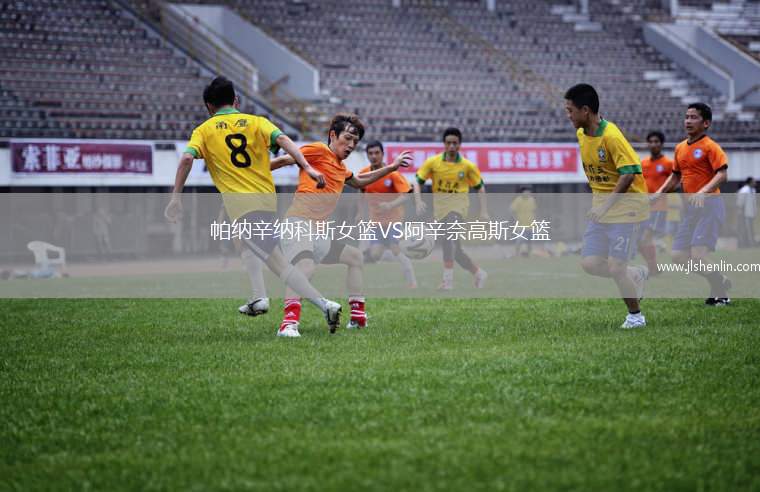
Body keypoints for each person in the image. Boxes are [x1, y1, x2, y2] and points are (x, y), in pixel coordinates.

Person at [164, 76, 342, 337]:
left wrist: (175, 198)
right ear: (236, 100)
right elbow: (284, 140)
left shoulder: (204, 130)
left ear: (209, 106)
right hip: (265, 202)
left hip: (244, 206)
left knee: (279, 265)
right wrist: (307, 166)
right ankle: (259, 297)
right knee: (243, 242)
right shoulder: (257, 122)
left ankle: (325, 306)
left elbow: (186, 160)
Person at [270, 114, 412, 336]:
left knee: (355, 257)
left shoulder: (341, 167)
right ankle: (288, 324)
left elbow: (360, 181)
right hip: (298, 224)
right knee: (305, 267)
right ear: (333, 135)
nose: (351, 145)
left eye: (355, 141)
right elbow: (283, 161)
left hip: (318, 233)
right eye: (347, 138)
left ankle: (357, 318)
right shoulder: (318, 150)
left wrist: (392, 167)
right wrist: (250, 175)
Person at [564, 83, 650, 329]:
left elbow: (629, 173)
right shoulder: (582, 135)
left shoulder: (612, 136)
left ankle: (635, 316)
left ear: (585, 110)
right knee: (590, 263)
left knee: (616, 267)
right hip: (601, 210)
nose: (568, 116)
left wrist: (604, 206)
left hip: (626, 210)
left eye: (570, 110)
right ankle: (636, 273)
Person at [653, 103, 731, 305]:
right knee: (678, 255)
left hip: (710, 205)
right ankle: (720, 280)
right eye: (687, 117)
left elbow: (722, 174)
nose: (688, 121)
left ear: (706, 123)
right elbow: (675, 176)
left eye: (694, 117)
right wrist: (658, 194)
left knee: (698, 255)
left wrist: (703, 191)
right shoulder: (680, 148)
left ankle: (721, 294)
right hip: (691, 209)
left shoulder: (710, 146)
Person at [412, 127, 489, 290]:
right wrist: (418, 201)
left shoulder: (467, 166)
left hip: (458, 209)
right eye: (448, 143)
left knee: (448, 239)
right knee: (456, 251)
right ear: (444, 144)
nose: (452, 146)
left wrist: (484, 211)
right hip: (440, 211)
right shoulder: (433, 163)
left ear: (460, 144)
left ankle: (447, 282)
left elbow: (480, 187)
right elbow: (417, 181)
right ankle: (479, 273)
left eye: (455, 143)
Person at [357, 140, 417, 288]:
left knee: (395, 248)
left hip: (394, 220)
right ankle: (359, 272)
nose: (374, 156)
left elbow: (407, 195)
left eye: (377, 153)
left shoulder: (392, 174)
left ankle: (412, 282)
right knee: (375, 254)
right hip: (376, 221)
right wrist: (359, 212)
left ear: (382, 154)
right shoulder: (364, 174)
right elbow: (361, 193)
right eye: (370, 153)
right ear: (367, 155)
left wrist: (390, 205)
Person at [639, 131, 673, 274]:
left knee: (646, 238)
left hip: (658, 207)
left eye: (656, 141)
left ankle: (653, 268)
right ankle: (654, 267)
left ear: (661, 144)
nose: (653, 144)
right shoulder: (643, 163)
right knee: (639, 241)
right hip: (643, 207)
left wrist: (661, 194)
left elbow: (676, 182)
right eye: (651, 142)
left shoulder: (668, 163)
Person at [510, 187, 537, 257]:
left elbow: (534, 211)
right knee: (519, 240)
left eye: (529, 192)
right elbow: (512, 210)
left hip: (530, 224)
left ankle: (529, 254)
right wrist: (516, 220)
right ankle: (516, 254)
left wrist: (534, 221)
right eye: (526, 192)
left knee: (530, 241)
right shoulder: (518, 200)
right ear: (522, 193)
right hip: (521, 224)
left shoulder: (532, 200)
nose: (528, 193)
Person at [736, 177, 757, 248]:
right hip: (744, 214)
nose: (755, 183)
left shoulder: (753, 190)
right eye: (754, 181)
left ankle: (750, 243)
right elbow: (740, 202)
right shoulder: (744, 190)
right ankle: (744, 243)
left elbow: (754, 203)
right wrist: (740, 212)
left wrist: (754, 212)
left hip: (751, 213)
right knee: (744, 229)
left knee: (750, 229)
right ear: (750, 182)